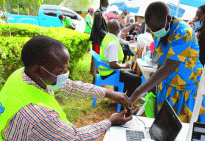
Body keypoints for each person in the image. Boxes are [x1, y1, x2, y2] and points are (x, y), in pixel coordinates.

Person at [0, 35, 132, 140]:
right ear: (38, 71)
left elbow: (71, 87)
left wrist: (107, 93)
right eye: (60, 71)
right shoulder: (39, 116)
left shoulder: (22, 75)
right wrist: (109, 121)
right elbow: (75, 137)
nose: (66, 74)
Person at [129, 1, 205, 123]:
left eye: (156, 29)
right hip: (168, 87)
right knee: (164, 128)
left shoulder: (184, 33)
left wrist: (137, 92)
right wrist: (152, 85)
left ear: (168, 18)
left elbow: (169, 67)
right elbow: (160, 61)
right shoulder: (160, 28)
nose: (154, 32)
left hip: (186, 90)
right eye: (151, 29)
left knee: (183, 131)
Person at [99, 19, 141, 99]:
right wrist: (124, 66)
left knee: (132, 72)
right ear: (118, 29)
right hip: (109, 72)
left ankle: (118, 96)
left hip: (104, 70)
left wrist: (133, 25)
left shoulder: (108, 36)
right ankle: (125, 102)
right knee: (137, 80)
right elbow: (113, 64)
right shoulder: (113, 43)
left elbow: (123, 32)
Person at [90, 0, 109, 78]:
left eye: (107, 6)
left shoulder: (101, 13)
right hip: (97, 40)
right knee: (97, 59)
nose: (106, 7)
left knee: (99, 59)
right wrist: (107, 34)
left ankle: (98, 75)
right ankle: (96, 77)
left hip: (100, 40)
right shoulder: (98, 14)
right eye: (105, 5)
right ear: (101, 4)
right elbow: (98, 29)